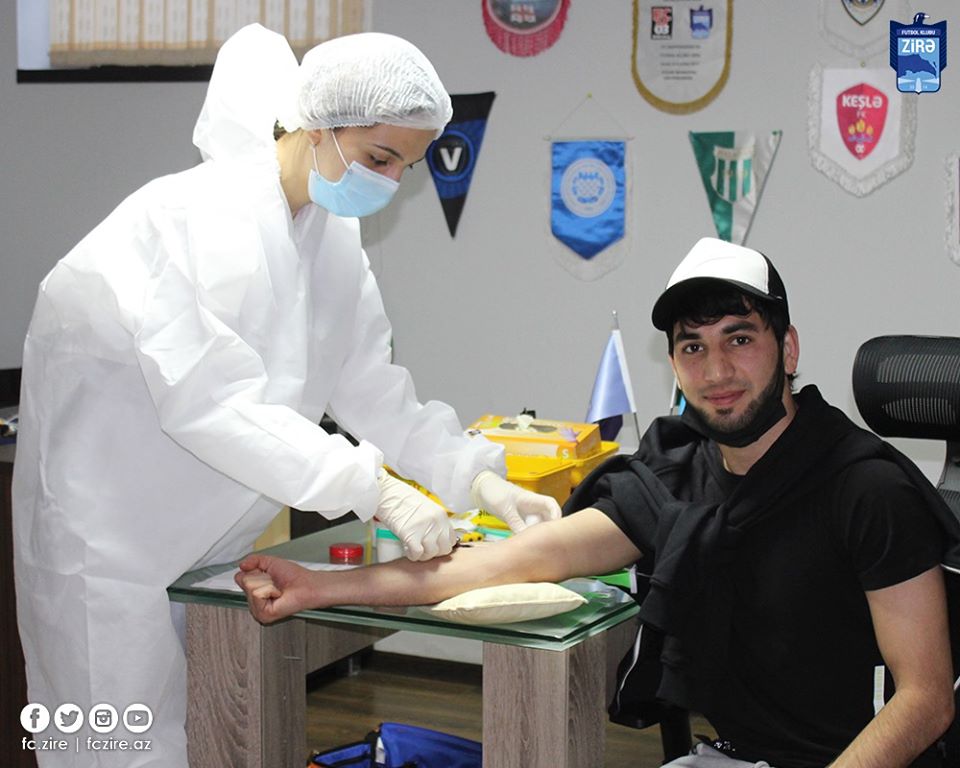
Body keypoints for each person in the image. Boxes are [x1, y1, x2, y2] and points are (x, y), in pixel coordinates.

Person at [12, 24, 559, 767]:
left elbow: (372, 385)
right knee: (108, 747)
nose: (390, 183)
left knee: (204, 737)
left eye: (406, 167)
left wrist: (477, 476)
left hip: (206, 542)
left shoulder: (330, 240)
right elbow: (210, 403)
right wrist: (375, 490)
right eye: (380, 157)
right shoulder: (185, 221)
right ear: (315, 126)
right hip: (104, 549)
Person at [237, 237, 960, 768]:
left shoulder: (866, 489)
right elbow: (491, 566)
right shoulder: (677, 474)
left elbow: (926, 699)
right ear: (673, 365)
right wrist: (319, 587)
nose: (717, 370)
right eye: (693, 348)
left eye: (739, 339)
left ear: (789, 349)